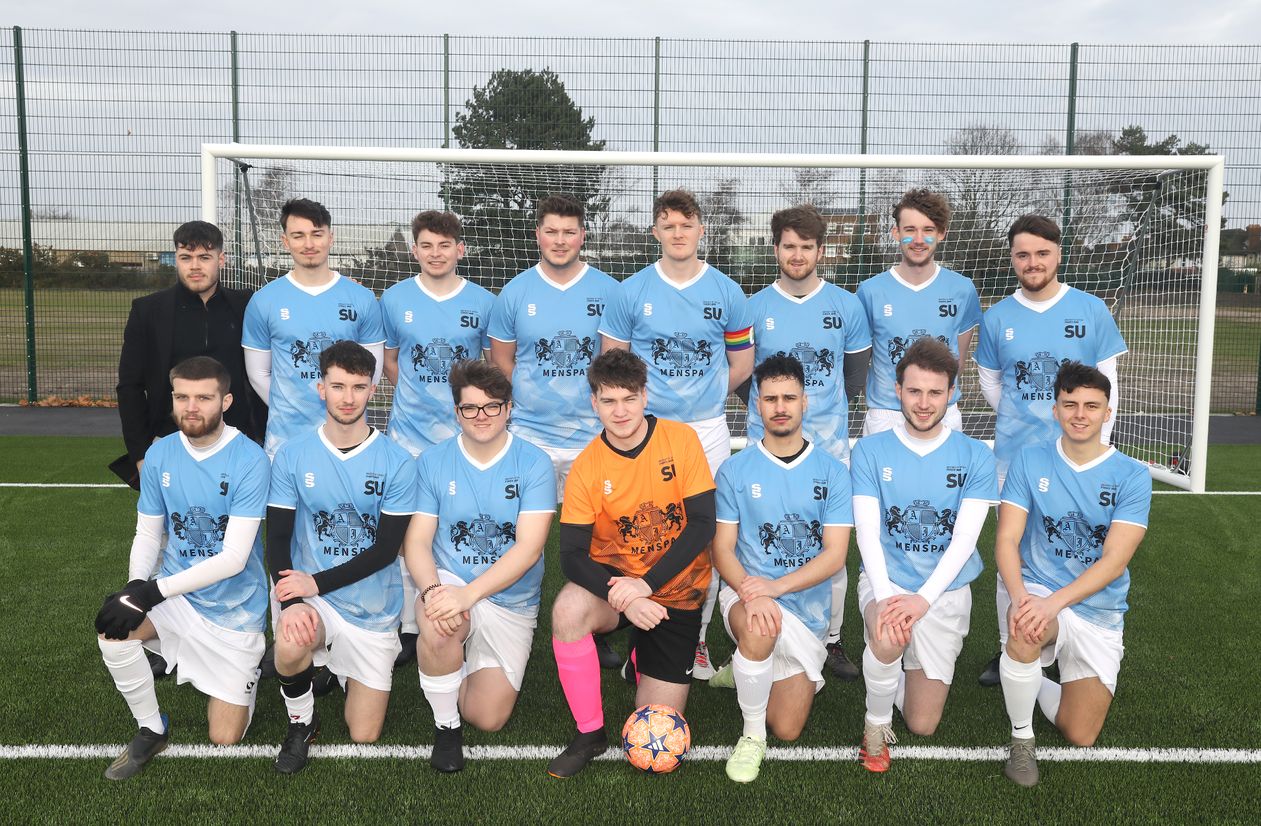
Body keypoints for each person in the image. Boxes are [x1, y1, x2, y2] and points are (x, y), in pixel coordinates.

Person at [600, 188, 754, 680]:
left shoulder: (727, 291)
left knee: (699, 538)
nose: (678, 233)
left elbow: (742, 363)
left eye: (686, 225)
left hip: (707, 430)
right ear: (656, 232)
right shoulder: (631, 292)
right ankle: (642, 640)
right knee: (643, 532)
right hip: (644, 431)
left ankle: (697, 641)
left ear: (701, 229)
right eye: (668, 225)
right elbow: (613, 367)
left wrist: (703, 395)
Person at [94, 356, 269, 779]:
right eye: (182, 397)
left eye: (204, 398)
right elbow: (149, 533)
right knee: (113, 633)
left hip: (235, 610)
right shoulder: (160, 454)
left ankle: (250, 668)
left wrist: (152, 592)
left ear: (225, 401)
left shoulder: (250, 460)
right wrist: (137, 585)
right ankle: (152, 728)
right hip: (178, 596)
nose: (192, 407)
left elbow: (234, 559)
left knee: (225, 737)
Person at [546, 349, 716, 777]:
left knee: (656, 734)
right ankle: (589, 733)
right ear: (594, 403)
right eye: (608, 400)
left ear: (644, 396)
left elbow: (701, 524)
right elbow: (569, 555)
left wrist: (647, 584)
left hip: (677, 588)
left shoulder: (681, 440)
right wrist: (623, 593)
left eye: (628, 398)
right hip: (619, 586)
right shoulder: (587, 466)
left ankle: (640, 656)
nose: (619, 411)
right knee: (567, 610)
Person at [974, 214, 1127, 687]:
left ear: (1059, 254)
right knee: (1013, 555)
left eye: (1042, 253)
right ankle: (1014, 646)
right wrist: (1033, 421)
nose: (1032, 262)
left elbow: (1108, 387)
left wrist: (1091, 443)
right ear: (1013, 259)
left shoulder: (1091, 309)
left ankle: (1064, 639)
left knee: (1075, 547)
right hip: (1015, 460)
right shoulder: (997, 316)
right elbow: (991, 384)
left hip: (1080, 459)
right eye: (1023, 254)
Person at [994, 362, 1150, 787]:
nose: (1080, 414)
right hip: (1040, 586)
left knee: (1081, 734)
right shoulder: (1030, 460)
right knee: (1028, 627)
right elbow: (1007, 540)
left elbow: (1114, 562)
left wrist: (1054, 603)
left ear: (1107, 412)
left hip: (1098, 607)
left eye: (1091, 406)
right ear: (1056, 409)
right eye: (1070, 404)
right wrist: (1022, 598)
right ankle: (1021, 741)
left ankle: (1032, 678)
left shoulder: (1132, 475)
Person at [264, 340, 416, 774]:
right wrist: (293, 600)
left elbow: (387, 550)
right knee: (290, 645)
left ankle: (333, 662)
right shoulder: (292, 454)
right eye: (338, 386)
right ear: (320, 389)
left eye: (358, 386)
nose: (347, 397)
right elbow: (276, 538)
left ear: (373, 391)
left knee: (364, 734)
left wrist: (315, 582)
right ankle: (302, 724)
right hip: (315, 599)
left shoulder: (397, 461)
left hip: (372, 608)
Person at [849, 338, 997, 773]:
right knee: (889, 632)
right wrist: (887, 599)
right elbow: (868, 536)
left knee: (922, 724)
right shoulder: (870, 451)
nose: (924, 402)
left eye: (935, 392)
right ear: (897, 390)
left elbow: (964, 541)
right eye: (914, 391)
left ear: (951, 394)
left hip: (943, 592)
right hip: (888, 582)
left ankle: (893, 671)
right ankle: (874, 726)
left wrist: (922, 601)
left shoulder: (974, 456)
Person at [488, 194, 622, 670]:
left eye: (569, 232)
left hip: (592, 437)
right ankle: (500, 618)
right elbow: (502, 364)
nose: (560, 240)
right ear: (537, 234)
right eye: (551, 231)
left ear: (583, 235)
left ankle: (595, 620)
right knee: (521, 533)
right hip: (531, 437)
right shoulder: (515, 293)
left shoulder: (608, 291)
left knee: (601, 538)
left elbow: (612, 365)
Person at [403, 361, 556, 772]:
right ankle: (446, 728)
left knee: (488, 718)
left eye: (492, 407)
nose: (481, 416)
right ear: (457, 413)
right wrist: (435, 591)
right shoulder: (433, 461)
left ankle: (459, 662)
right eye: (470, 408)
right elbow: (416, 540)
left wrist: (469, 596)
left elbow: (528, 549)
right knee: (438, 627)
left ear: (509, 409)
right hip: (451, 580)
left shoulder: (534, 463)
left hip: (510, 598)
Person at [710, 354, 852, 783]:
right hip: (746, 595)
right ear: (757, 404)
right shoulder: (734, 470)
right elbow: (722, 550)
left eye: (789, 397)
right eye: (770, 398)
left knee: (788, 729)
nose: (780, 406)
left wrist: (776, 587)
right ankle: (752, 736)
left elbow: (834, 556)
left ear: (805, 402)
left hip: (804, 610)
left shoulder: (833, 472)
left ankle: (742, 669)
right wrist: (755, 593)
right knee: (760, 628)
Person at [745, 204, 871, 682]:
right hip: (767, 452)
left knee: (828, 547)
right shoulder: (753, 306)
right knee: (764, 540)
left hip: (828, 452)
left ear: (821, 250)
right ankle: (755, 623)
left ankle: (832, 639)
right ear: (775, 248)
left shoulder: (847, 305)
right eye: (788, 246)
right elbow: (745, 379)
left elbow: (854, 375)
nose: (797, 255)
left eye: (806, 246)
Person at [381, 209, 493, 666]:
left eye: (444, 245)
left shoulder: (484, 301)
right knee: (408, 527)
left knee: (460, 523)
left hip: (463, 438)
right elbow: (390, 364)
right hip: (408, 437)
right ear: (415, 250)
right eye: (426, 245)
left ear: (459, 250)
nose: (435, 253)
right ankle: (412, 622)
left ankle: (466, 607)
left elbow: (488, 370)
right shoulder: (393, 299)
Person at [114, 221, 263, 490]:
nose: (195, 266)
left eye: (204, 257)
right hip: (169, 442)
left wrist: (334, 287)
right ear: (176, 260)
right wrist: (139, 454)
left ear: (221, 259)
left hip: (238, 443)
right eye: (186, 257)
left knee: (239, 528)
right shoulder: (148, 311)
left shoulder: (248, 305)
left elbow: (295, 321)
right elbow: (129, 388)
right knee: (170, 530)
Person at [242, 198, 385, 459]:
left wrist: (344, 406)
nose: (308, 244)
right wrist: (291, 407)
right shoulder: (264, 300)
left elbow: (371, 372)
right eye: (298, 236)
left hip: (347, 441)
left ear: (330, 237)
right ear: (285, 241)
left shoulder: (361, 298)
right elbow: (258, 373)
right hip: (285, 442)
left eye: (317, 234)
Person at [856, 189, 981, 436]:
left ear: (942, 234)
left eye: (928, 230)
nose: (918, 239)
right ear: (896, 233)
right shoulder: (870, 292)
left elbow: (958, 361)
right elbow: (861, 364)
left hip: (942, 413)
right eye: (910, 230)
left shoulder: (962, 289)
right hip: (886, 415)